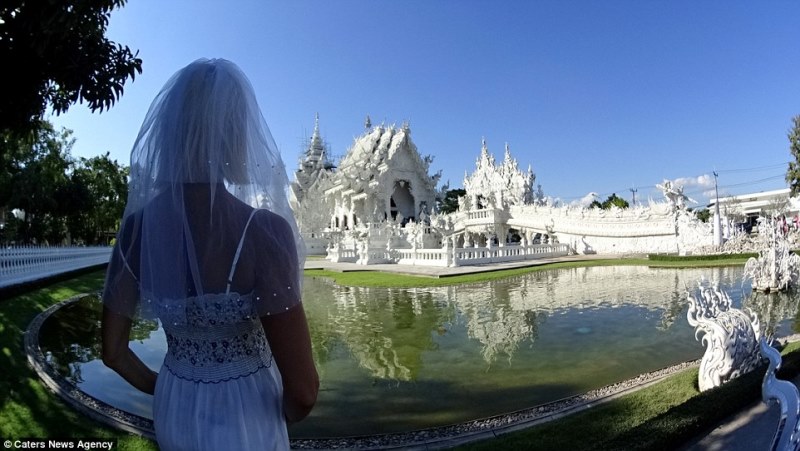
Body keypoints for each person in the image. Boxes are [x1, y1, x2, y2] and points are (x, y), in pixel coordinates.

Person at [101, 58, 319, 451]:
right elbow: (303, 392)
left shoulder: (136, 230)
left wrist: (168, 385)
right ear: (234, 134)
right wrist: (277, 415)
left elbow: (113, 352)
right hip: (247, 411)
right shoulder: (263, 233)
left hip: (173, 405)